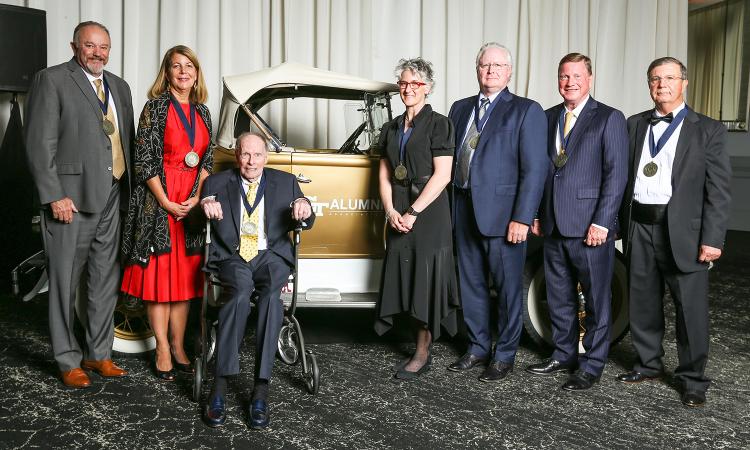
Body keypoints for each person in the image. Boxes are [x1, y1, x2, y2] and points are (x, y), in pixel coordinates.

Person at [617, 57, 731, 407]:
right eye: (655, 78)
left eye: (669, 78)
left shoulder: (708, 129)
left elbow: (719, 190)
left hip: (684, 230)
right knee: (643, 302)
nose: (661, 84)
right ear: (648, 84)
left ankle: (693, 378)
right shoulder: (634, 124)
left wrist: (712, 239)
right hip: (639, 225)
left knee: (690, 309)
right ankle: (648, 363)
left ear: (684, 82)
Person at [24, 21, 133, 388]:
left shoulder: (120, 86)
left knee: (105, 281)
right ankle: (67, 359)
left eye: (104, 46)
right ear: (75, 46)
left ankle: (98, 353)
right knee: (64, 283)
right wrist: (54, 194)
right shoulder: (51, 80)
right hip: (70, 200)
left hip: (113, 195)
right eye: (90, 46)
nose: (97, 53)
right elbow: (40, 144)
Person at [526, 53, 628, 390]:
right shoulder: (547, 116)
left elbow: (616, 176)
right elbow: (542, 171)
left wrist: (603, 221)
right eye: (564, 76)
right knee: (558, 295)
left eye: (576, 76)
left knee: (598, 298)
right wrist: (539, 213)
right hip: (554, 223)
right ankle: (563, 353)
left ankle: (592, 363)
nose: (570, 82)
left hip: (590, 228)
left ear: (590, 78)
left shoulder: (609, 118)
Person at [448, 42, 548, 381]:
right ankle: (477, 347)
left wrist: (522, 216)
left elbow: (534, 169)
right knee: (471, 284)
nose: (490, 71)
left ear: (509, 71)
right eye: (484, 65)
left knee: (506, 289)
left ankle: (504, 354)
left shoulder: (526, 110)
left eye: (498, 66)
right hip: (462, 207)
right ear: (476, 69)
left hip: (505, 216)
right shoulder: (459, 108)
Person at [200, 132, 314, 429]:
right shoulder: (215, 183)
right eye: (245, 155)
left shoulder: (286, 182)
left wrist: (304, 206)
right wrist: (205, 207)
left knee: (271, 303)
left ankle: (261, 389)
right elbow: (198, 215)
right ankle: (220, 388)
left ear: (266, 156)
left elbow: (307, 216)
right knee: (238, 295)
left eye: (257, 155)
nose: (251, 162)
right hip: (233, 257)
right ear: (237, 155)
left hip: (271, 256)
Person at [120, 45, 213, 381]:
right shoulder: (155, 108)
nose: (184, 72)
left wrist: (197, 197)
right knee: (159, 281)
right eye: (177, 66)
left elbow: (207, 161)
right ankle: (161, 348)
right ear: (167, 72)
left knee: (185, 282)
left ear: (197, 73)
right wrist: (166, 201)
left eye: (189, 66)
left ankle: (178, 345)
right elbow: (144, 160)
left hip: (190, 204)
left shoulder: (203, 112)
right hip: (159, 203)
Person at [374, 58, 459, 380]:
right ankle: (413, 341)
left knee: (425, 278)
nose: (408, 88)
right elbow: (383, 174)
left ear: (428, 87)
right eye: (404, 83)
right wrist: (391, 211)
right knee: (404, 275)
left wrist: (412, 212)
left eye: (416, 84)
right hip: (398, 210)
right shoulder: (392, 127)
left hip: (429, 211)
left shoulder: (440, 124)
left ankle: (422, 352)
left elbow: (443, 175)